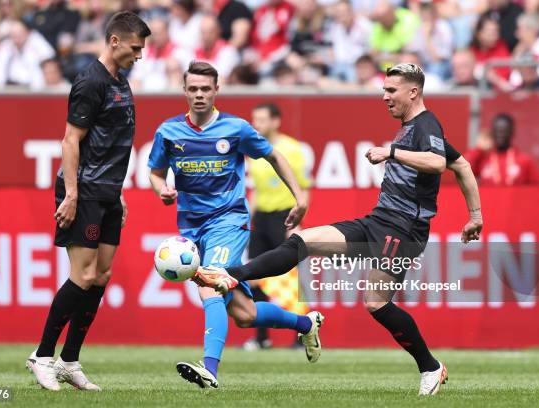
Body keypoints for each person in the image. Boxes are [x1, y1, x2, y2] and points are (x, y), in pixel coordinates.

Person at [194, 63, 484, 395]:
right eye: (384, 89)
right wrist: (475, 215)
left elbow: (436, 163)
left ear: (413, 92)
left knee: (376, 303)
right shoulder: (412, 126)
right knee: (303, 241)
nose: (384, 96)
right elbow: (460, 164)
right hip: (380, 220)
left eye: (392, 90)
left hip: (404, 230)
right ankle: (233, 274)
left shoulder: (426, 123)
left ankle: (431, 368)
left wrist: (390, 152)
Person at [148, 61, 323, 390]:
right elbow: (156, 173)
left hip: (229, 220)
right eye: (193, 89)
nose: (199, 95)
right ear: (184, 91)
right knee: (244, 314)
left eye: (205, 89)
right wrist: (163, 190)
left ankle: (209, 368)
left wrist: (299, 196)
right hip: (191, 229)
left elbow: (273, 156)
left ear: (216, 91)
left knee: (210, 282)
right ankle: (305, 324)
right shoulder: (167, 132)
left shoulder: (235, 128)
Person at [25, 11, 151, 392]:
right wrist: (73, 195)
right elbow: (70, 140)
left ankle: (69, 360)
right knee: (81, 276)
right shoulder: (90, 81)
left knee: (101, 276)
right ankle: (42, 355)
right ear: (114, 41)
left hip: (109, 192)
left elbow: (111, 143)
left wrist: (120, 191)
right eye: (135, 47)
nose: (139, 55)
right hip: (84, 192)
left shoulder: (121, 80)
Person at [244, 102, 312, 350]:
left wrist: (297, 222)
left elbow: (303, 187)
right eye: (254, 119)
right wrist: (247, 220)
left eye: (261, 119)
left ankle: (301, 335)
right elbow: (256, 190)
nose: (256, 124)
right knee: (253, 276)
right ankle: (261, 338)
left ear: (275, 121)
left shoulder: (291, 149)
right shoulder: (253, 150)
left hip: (285, 217)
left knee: (291, 277)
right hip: (261, 217)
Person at [466, 113, 539, 185]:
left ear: (512, 132)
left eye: (504, 131)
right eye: (497, 131)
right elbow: (463, 173)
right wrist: (479, 149)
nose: (500, 135)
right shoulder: (483, 158)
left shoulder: (524, 160)